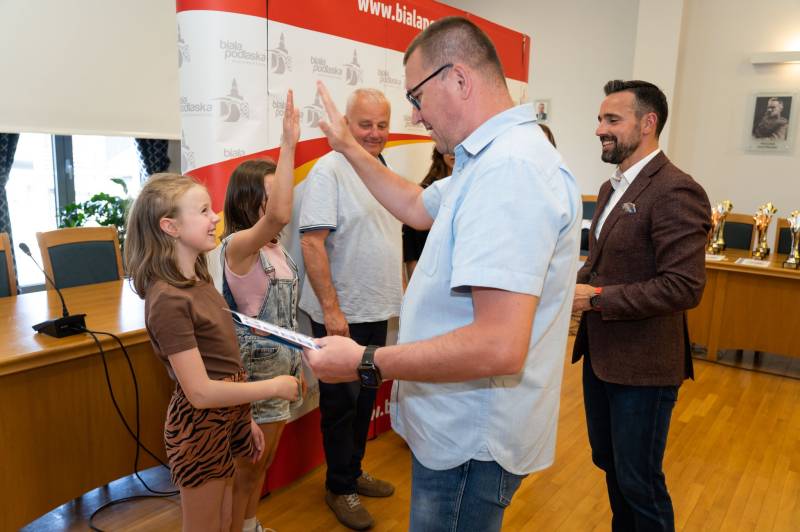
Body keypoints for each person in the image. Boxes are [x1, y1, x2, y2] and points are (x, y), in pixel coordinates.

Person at [303, 16, 581, 532]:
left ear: (458, 79)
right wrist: (347, 147)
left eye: (417, 96)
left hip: (472, 439)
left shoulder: (510, 170)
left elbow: (499, 345)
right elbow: (415, 205)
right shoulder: (488, 160)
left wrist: (366, 360)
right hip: (459, 430)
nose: (415, 114)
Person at [125, 173, 300, 532]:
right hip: (200, 427)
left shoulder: (199, 280)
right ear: (170, 227)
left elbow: (225, 363)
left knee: (225, 519)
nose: (215, 217)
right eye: (203, 210)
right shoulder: (168, 299)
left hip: (227, 418)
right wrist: (273, 387)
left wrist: (243, 419)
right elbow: (201, 392)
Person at [572, 80, 710, 531]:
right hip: (602, 358)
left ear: (648, 123)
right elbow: (601, 266)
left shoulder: (675, 190)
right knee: (611, 466)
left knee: (640, 483)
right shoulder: (610, 188)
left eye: (612, 120)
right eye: (600, 119)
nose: (599, 129)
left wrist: (596, 298)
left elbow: (683, 286)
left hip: (644, 369)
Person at [298, 87, 400, 531]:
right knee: (341, 405)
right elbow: (311, 242)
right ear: (346, 124)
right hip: (341, 314)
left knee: (364, 401)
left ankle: (353, 472)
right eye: (365, 124)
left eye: (382, 124)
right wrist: (331, 310)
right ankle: (339, 487)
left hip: (375, 308)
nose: (375, 133)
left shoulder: (380, 167)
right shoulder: (330, 169)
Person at [218, 91, 302, 532]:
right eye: (272, 194)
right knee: (247, 470)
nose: (282, 200)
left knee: (262, 464)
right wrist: (288, 144)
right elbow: (279, 215)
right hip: (255, 379)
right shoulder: (238, 246)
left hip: (281, 373)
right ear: (249, 200)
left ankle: (250, 526)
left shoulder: (276, 250)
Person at [402, 147, 454, 280]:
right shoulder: (425, 193)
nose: (453, 155)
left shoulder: (475, 189)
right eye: (450, 150)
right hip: (429, 277)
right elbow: (412, 245)